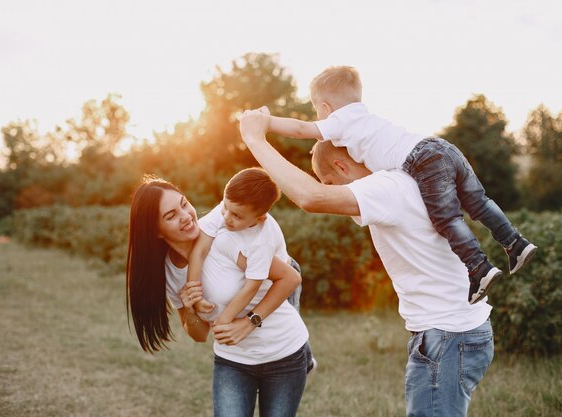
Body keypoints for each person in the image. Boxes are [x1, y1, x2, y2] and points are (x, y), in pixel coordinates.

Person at [238, 109, 495, 417]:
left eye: (331, 182)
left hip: (448, 336)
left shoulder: (386, 188)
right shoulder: (404, 178)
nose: (335, 192)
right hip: (457, 332)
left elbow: (311, 198)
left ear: (341, 165)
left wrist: (255, 139)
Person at [265, 66, 537, 304]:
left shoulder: (337, 120)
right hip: (440, 146)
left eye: (317, 110)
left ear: (325, 108)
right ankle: (515, 243)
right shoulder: (364, 114)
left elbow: (302, 131)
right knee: (478, 202)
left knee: (446, 218)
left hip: (422, 161)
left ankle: (479, 268)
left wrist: (265, 123)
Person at [125, 176, 312, 417]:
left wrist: (248, 323)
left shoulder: (226, 235)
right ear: (156, 232)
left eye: (183, 204)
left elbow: (290, 277)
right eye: (170, 216)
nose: (185, 216)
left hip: (283, 352)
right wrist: (190, 309)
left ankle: (305, 354)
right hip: (232, 361)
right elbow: (200, 334)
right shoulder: (168, 272)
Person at [187, 168, 303, 323]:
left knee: (282, 321)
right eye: (226, 207)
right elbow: (200, 250)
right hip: (254, 263)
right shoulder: (230, 208)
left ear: (260, 219)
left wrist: (224, 319)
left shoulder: (262, 241)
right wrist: (196, 297)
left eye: (237, 216)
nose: (227, 217)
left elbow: (252, 286)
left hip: (281, 272)